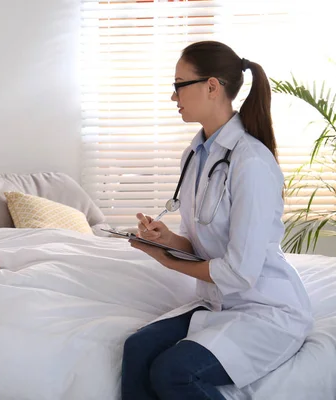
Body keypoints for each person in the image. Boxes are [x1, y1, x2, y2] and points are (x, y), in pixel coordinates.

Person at [121, 41, 313, 399]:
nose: (173, 95)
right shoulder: (195, 155)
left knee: (174, 373)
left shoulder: (251, 162)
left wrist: (169, 262)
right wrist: (166, 241)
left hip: (266, 310)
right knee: (137, 349)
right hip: (218, 304)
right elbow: (202, 245)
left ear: (212, 86)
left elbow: (241, 273)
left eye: (179, 84)